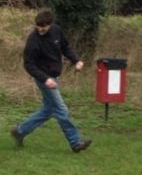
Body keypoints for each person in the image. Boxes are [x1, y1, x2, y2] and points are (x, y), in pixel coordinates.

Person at [11, 9, 92, 153]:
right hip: (44, 79)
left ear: (50, 24)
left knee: (48, 110)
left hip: (54, 77)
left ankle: (20, 131)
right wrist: (45, 79)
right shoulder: (33, 41)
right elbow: (28, 65)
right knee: (61, 109)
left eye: (44, 26)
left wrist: (76, 60)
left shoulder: (56, 31)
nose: (40, 29)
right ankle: (75, 142)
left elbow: (65, 47)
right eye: (38, 26)